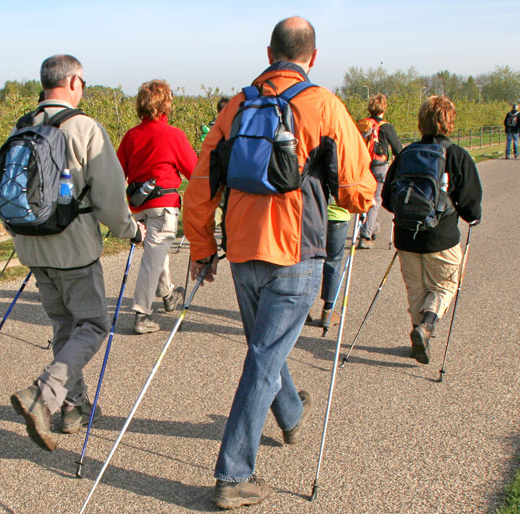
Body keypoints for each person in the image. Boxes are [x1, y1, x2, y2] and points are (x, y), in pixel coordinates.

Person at [183, 16, 375, 510]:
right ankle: (232, 475)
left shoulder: (236, 106)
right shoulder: (325, 106)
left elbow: (201, 187)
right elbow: (359, 191)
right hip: (297, 252)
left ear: (269, 54)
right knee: (264, 358)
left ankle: (290, 415)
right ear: (312, 56)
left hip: (244, 250)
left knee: (265, 351)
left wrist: (202, 247)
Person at [9, 54, 145, 452]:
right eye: (82, 81)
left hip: (32, 246)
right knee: (93, 325)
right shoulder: (85, 128)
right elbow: (109, 196)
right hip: (73, 246)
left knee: (64, 326)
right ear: (72, 82)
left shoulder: (21, 127)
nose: (83, 88)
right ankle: (44, 394)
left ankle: (75, 405)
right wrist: (131, 232)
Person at [382, 95, 482, 365]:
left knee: (415, 288)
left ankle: (418, 335)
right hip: (442, 238)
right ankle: (426, 326)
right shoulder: (457, 155)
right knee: (446, 284)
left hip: (406, 236)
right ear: (449, 122)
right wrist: (472, 218)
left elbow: (387, 198)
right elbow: (471, 204)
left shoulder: (406, 154)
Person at [117, 79, 196, 334]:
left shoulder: (131, 136)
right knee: (153, 258)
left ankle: (169, 295)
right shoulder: (174, 135)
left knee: (154, 252)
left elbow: (119, 172)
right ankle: (142, 314)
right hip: (164, 205)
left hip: (138, 206)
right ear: (165, 105)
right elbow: (194, 171)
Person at [358, 93, 402, 249]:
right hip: (379, 166)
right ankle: (365, 235)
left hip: (362, 166)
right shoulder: (386, 126)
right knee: (376, 199)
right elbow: (398, 149)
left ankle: (373, 227)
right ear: (384, 107)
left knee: (366, 198)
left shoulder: (362, 124)